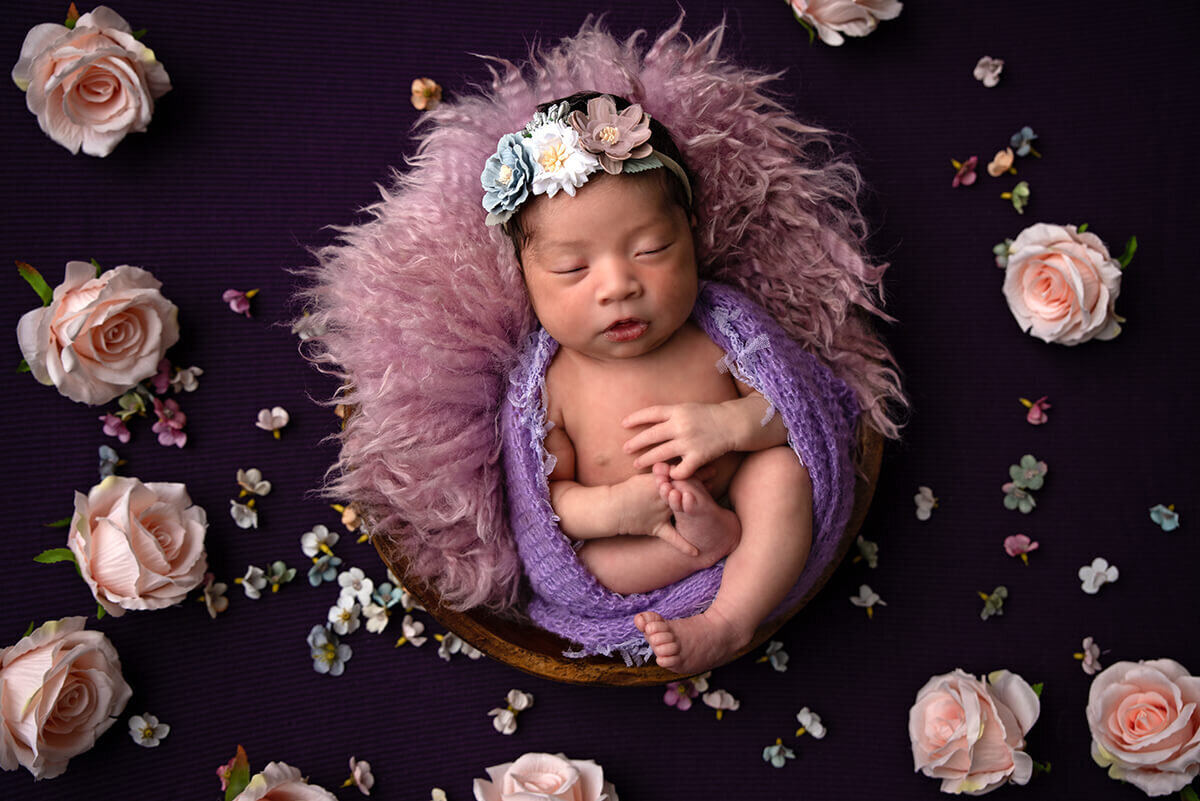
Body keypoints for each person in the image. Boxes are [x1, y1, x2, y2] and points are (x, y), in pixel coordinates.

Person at [482, 93, 814, 674]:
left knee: (782, 473)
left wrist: (731, 424)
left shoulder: (719, 333)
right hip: (642, 544)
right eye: (571, 269)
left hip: (740, 496)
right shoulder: (548, 385)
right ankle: (710, 545)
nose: (617, 285)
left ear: (689, 234)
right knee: (598, 565)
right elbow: (547, 501)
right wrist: (617, 509)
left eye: (651, 249)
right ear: (525, 274)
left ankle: (728, 620)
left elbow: (799, 415)